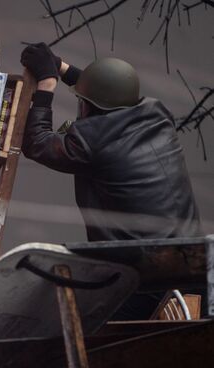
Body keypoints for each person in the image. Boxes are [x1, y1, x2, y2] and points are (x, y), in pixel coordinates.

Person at [19, 43, 202, 319]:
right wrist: (62, 68)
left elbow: (37, 143)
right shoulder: (158, 115)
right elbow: (112, 92)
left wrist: (46, 84)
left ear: (87, 106)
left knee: (61, 325)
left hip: (147, 281)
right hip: (196, 268)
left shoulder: (92, 143)